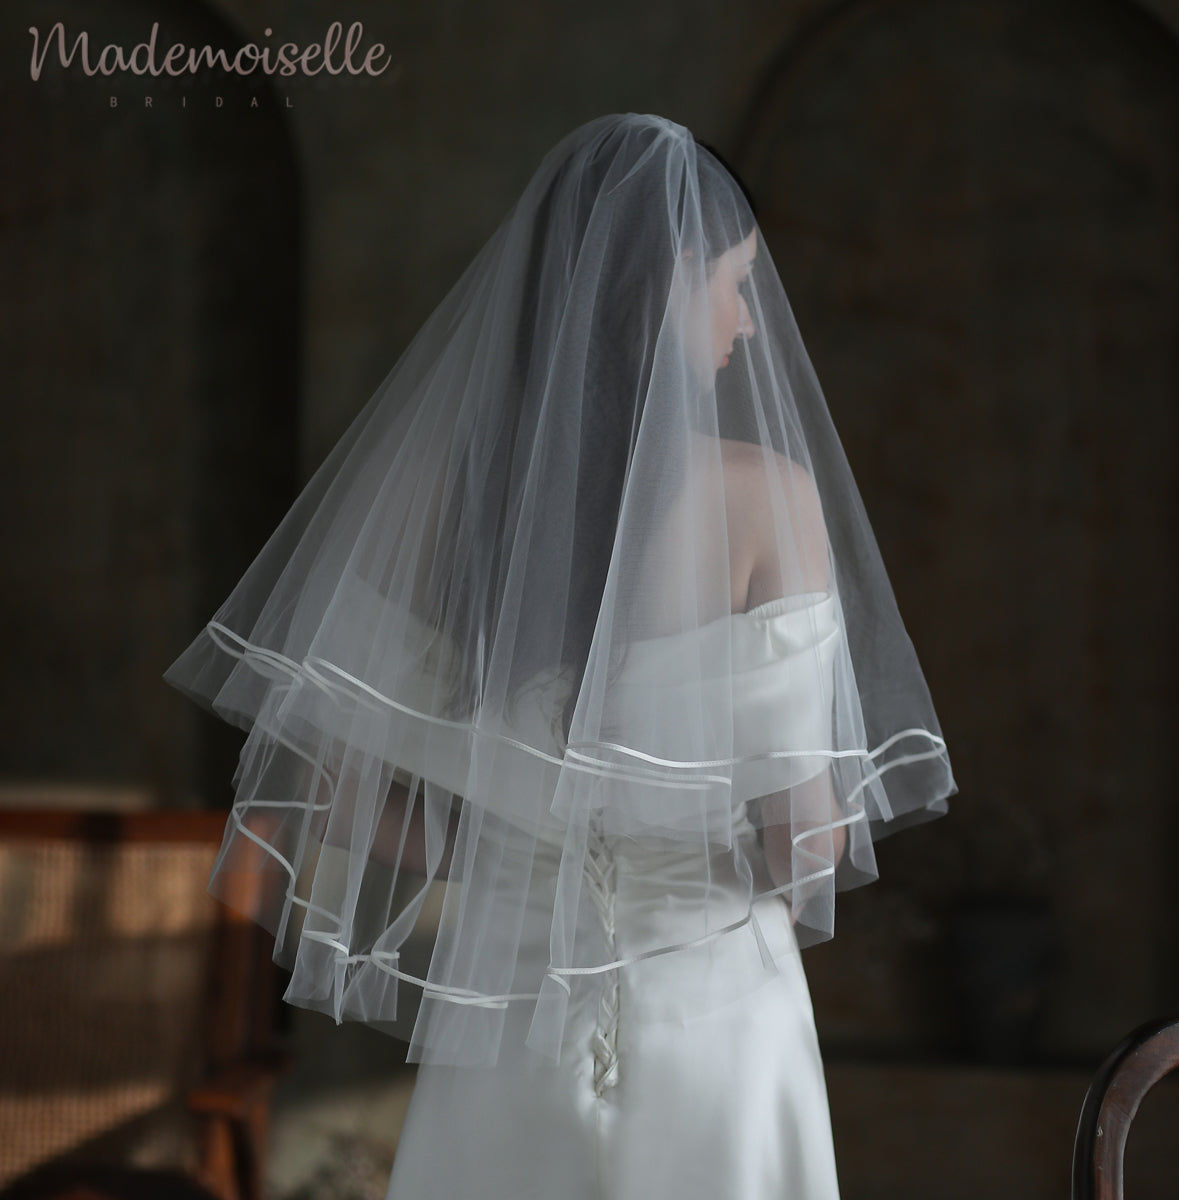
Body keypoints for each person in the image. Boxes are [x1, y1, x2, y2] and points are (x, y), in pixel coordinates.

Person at [165, 113, 955, 1198]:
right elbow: (802, 843)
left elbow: (336, 793)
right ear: (671, 278)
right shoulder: (767, 502)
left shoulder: (442, 493)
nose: (749, 328)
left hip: (505, 1033)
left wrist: (516, 851)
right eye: (734, 286)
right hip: (713, 1020)